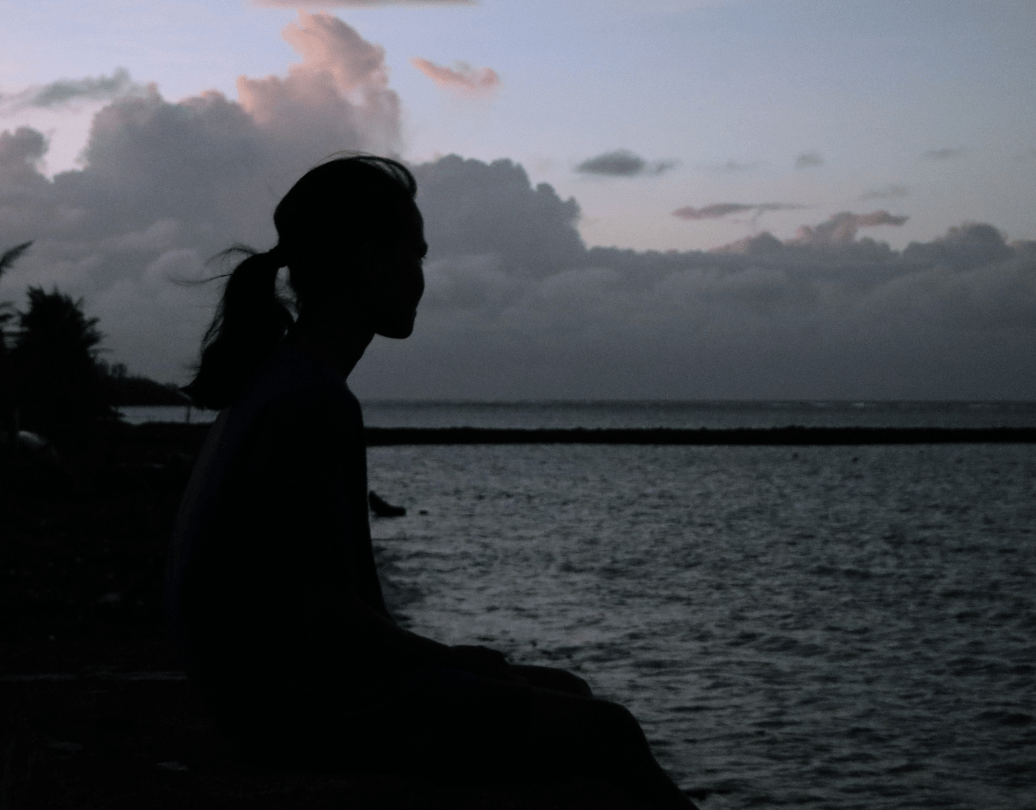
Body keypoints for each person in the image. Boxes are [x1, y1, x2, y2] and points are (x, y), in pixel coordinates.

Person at [165, 154, 697, 808]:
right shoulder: (312, 399)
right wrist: (445, 660)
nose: (421, 278)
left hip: (258, 701)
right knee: (607, 730)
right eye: (415, 257)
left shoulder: (279, 383)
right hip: (298, 712)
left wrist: (445, 662)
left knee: (565, 692)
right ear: (368, 260)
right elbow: (324, 616)